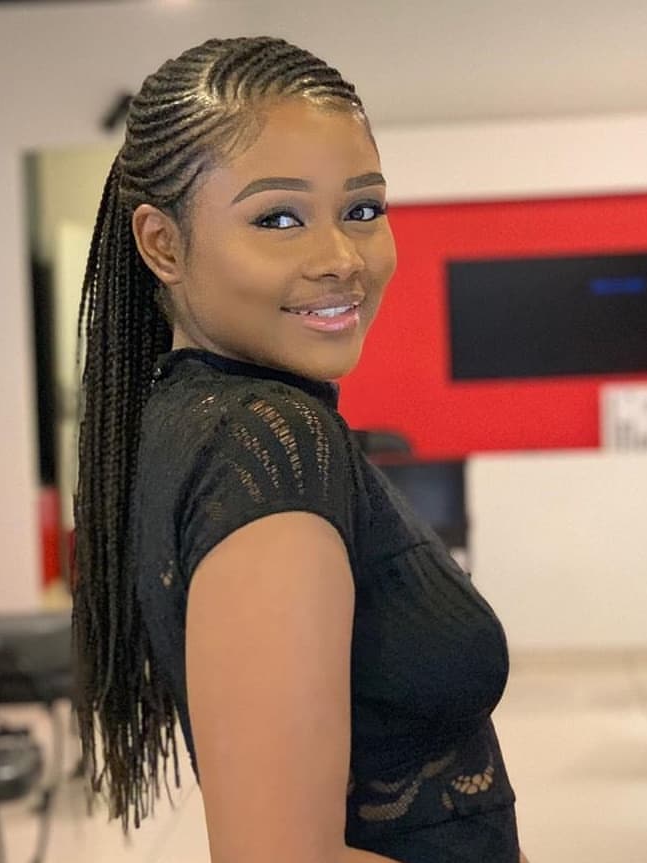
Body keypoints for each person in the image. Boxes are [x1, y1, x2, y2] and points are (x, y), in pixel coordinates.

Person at [72, 36, 526, 863]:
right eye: (278, 218)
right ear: (162, 244)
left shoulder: (195, 420)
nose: (340, 259)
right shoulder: (266, 444)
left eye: (363, 209)